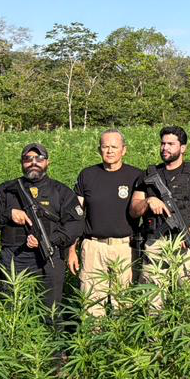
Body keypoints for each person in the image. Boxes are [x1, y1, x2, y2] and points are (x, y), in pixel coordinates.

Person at [0, 143, 83, 309]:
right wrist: (8, 214)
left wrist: (49, 240)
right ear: (22, 162)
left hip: (50, 257)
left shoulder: (61, 191)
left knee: (50, 310)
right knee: (11, 310)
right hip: (14, 257)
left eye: (39, 158)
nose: (33, 162)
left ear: (47, 162)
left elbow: (75, 224)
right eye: (28, 159)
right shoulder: (6, 190)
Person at [131, 126, 190, 304]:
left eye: (170, 144)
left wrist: (189, 232)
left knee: (188, 298)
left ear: (183, 148)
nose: (165, 148)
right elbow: (133, 210)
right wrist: (148, 201)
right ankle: (155, 323)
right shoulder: (148, 175)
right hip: (156, 243)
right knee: (153, 298)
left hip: (185, 244)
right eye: (163, 143)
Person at [72, 129, 142, 316]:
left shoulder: (136, 176)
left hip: (125, 248)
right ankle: (94, 335)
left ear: (124, 150)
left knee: (124, 304)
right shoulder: (87, 175)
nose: (109, 151)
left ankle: (120, 335)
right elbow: (76, 214)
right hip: (93, 247)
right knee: (91, 305)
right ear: (99, 150)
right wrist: (71, 248)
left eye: (114, 147)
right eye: (105, 147)